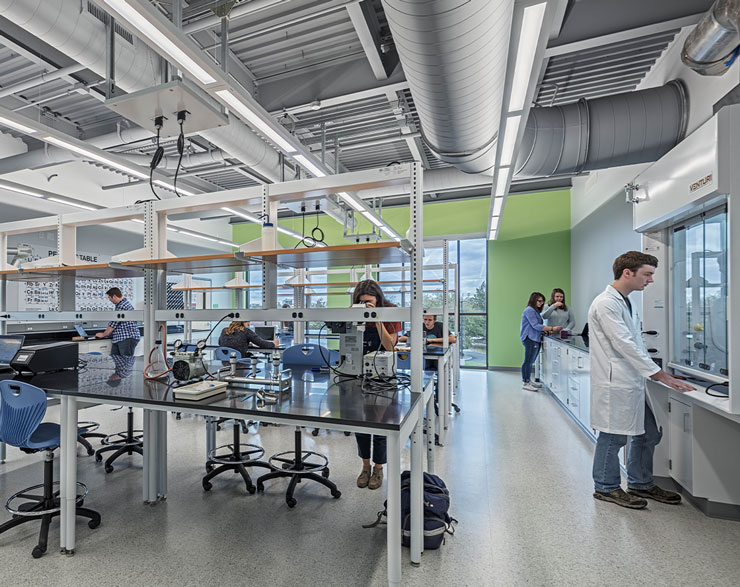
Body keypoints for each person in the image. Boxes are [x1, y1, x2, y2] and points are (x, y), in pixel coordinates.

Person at [589, 251, 695, 509]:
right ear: (628, 272)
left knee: (648, 434)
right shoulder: (606, 303)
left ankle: (640, 482)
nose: (650, 280)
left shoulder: (626, 301)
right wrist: (659, 374)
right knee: (613, 438)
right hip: (616, 381)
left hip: (632, 381)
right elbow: (623, 343)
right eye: (647, 274)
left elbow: (634, 341)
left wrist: (657, 369)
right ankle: (606, 487)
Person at [352, 280, 401, 490]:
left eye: (368, 302)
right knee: (360, 423)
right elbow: (349, 340)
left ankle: (378, 468)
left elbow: (390, 345)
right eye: (361, 302)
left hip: (383, 375)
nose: (364, 305)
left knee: (380, 424)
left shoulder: (391, 312)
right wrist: (351, 318)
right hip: (358, 372)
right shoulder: (355, 311)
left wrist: (377, 318)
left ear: (378, 300)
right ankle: (365, 466)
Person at [520, 292, 560, 391]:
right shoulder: (529, 310)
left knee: (531, 361)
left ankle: (528, 381)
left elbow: (537, 326)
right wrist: (552, 328)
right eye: (539, 301)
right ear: (533, 300)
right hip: (530, 338)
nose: (541, 303)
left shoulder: (535, 311)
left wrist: (545, 331)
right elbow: (535, 326)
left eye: (542, 301)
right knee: (528, 361)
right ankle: (525, 383)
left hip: (535, 338)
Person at [95, 287, 140, 357]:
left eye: (109, 298)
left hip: (127, 338)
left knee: (125, 363)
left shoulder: (122, 306)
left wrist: (103, 334)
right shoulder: (122, 304)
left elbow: (113, 323)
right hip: (121, 338)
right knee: (116, 361)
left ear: (114, 296)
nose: (110, 300)